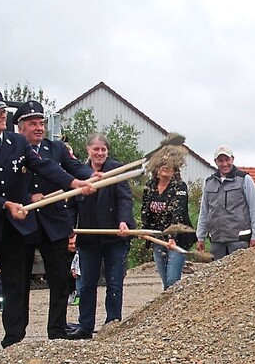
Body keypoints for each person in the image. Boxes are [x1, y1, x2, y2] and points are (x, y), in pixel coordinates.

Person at [0, 89, 94, 351]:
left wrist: (74, 181)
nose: (3, 116)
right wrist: (6, 204)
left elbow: (42, 166)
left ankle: (13, 340)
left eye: (3, 112)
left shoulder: (16, 143)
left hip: (15, 227)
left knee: (15, 283)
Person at [15, 101, 93, 339]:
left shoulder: (57, 149)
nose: (39, 128)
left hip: (55, 223)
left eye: (41, 123)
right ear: (20, 128)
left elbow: (75, 169)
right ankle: (16, 333)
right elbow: (5, 184)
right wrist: (28, 196)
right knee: (19, 281)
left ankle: (57, 330)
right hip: (24, 223)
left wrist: (92, 177)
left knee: (59, 279)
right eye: (32, 124)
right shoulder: (12, 149)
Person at [67, 133, 136, 340]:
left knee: (114, 283)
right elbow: (71, 204)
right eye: (96, 149)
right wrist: (70, 229)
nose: (99, 153)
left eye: (103, 149)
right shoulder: (79, 172)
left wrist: (124, 221)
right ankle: (85, 326)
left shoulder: (116, 170)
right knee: (87, 284)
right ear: (88, 149)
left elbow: (125, 198)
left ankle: (112, 324)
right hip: (88, 238)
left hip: (115, 236)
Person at [141, 151, 197, 291]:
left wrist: (172, 237)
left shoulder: (179, 186)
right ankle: (168, 311)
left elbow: (178, 212)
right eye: (162, 163)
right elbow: (145, 211)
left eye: (169, 164)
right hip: (158, 238)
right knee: (165, 279)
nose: (165, 166)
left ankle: (175, 309)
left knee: (172, 280)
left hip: (178, 238)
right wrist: (144, 230)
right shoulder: (150, 186)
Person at [196, 146, 255, 260]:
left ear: (232, 159)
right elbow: (204, 211)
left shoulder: (244, 179)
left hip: (239, 241)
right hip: (217, 241)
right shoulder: (209, 182)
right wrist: (200, 237)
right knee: (218, 275)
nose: (224, 164)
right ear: (215, 162)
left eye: (227, 160)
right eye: (221, 160)